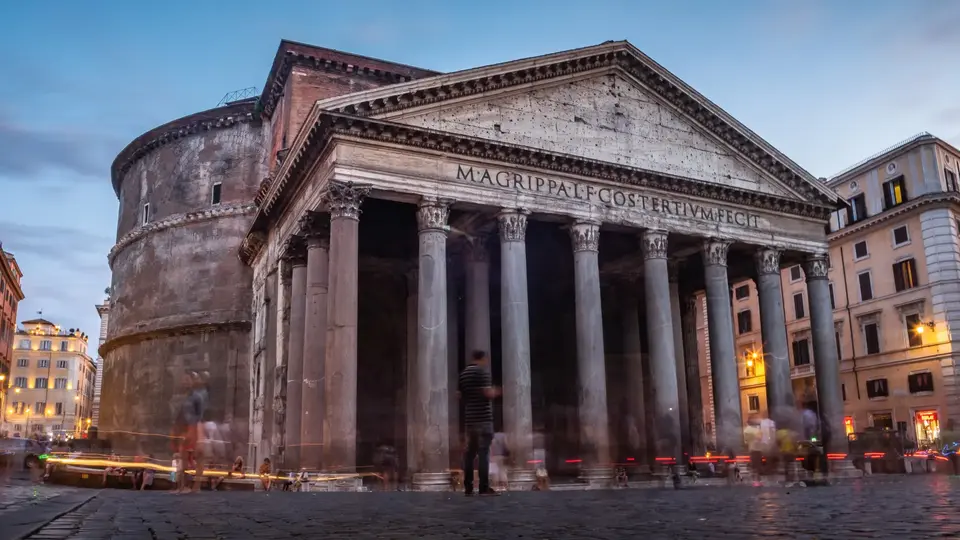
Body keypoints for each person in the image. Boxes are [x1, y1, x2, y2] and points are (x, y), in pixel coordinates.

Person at [458, 350, 500, 496]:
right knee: (483, 454)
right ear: (482, 359)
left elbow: (459, 396)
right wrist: (497, 392)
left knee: (469, 454)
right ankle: (483, 487)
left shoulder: (463, 375)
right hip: (483, 418)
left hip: (470, 419)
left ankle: (468, 487)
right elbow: (487, 393)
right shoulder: (482, 373)